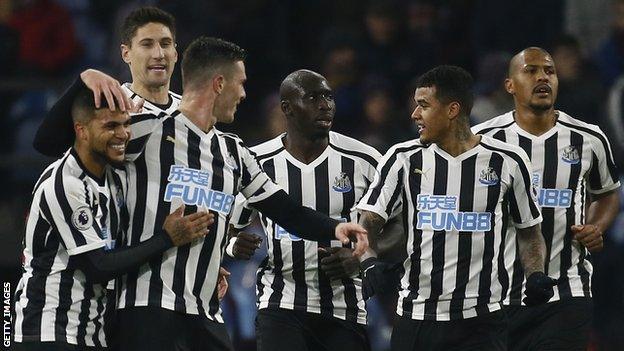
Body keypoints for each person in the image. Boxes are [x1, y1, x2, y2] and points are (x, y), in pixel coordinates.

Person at [34, 36, 368, 351]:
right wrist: (85, 79)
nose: (244, 94)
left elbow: (286, 211)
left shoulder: (233, 152)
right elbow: (55, 145)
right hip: (146, 309)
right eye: (241, 84)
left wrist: (335, 228)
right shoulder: (146, 132)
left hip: (205, 313)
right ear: (219, 84)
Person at [356, 65, 555, 351]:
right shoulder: (403, 158)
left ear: (452, 110)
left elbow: (529, 232)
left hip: (482, 321)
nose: (414, 115)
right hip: (417, 317)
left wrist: (535, 274)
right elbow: (369, 220)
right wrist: (369, 261)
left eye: (423, 105)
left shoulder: (508, 161)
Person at [12, 86, 212, 350]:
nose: (122, 134)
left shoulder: (115, 178)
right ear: (81, 130)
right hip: (48, 330)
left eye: (126, 124)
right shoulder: (65, 183)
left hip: (92, 332)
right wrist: (166, 238)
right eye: (110, 126)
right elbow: (98, 266)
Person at [227, 70, 396, 351]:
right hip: (280, 301)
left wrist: (364, 255)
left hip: (346, 306)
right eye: (313, 97)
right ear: (287, 108)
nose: (325, 105)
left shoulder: (364, 159)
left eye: (329, 96)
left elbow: (400, 224)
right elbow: (229, 231)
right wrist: (233, 245)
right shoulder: (257, 161)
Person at [472, 47, 621, 351]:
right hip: (495, 296)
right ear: (509, 85)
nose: (542, 77)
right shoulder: (482, 140)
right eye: (530, 71)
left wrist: (596, 226)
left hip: (566, 292)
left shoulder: (589, 138)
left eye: (549, 71)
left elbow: (606, 195)